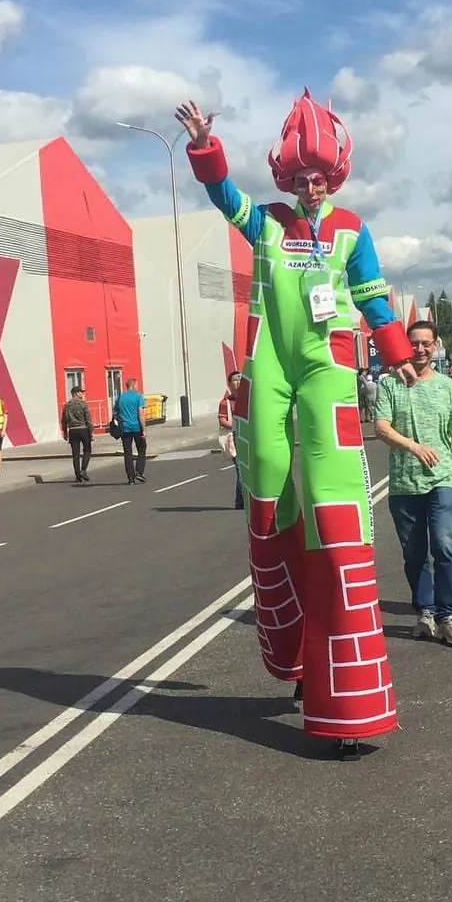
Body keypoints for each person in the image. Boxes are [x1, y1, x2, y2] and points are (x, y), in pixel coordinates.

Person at [177, 91, 414, 757]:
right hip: (269, 371)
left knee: (337, 524)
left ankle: (351, 701)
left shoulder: (351, 229)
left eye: (320, 174)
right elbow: (225, 196)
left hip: (328, 370)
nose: (310, 184)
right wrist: (204, 147)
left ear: (334, 176)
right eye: (299, 173)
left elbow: (373, 298)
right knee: (272, 507)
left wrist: (398, 357)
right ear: (286, 175)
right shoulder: (270, 223)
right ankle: (296, 656)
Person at [375, 320, 452, 647]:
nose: (419, 349)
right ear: (405, 346)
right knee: (414, 553)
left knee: (444, 545)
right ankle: (425, 611)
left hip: (441, 478)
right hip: (404, 484)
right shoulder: (390, 384)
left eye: (426, 343)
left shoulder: (446, 386)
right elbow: (382, 428)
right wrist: (413, 447)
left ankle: (448, 615)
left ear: (435, 346)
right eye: (413, 343)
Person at [218, 371, 245, 509]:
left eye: (240, 379)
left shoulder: (248, 400)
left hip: (247, 437)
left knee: (244, 470)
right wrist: (238, 425)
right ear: (229, 384)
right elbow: (222, 421)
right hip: (233, 438)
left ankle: (240, 501)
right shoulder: (225, 403)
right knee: (241, 469)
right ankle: (244, 501)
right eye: (234, 380)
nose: (238, 382)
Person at [114, 378, 147, 485]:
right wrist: (144, 429)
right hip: (136, 427)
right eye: (136, 385)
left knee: (127, 453)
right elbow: (141, 413)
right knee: (141, 449)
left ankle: (130, 478)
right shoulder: (138, 396)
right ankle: (139, 472)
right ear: (133, 385)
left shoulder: (120, 397)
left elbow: (116, 412)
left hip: (125, 428)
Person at [61, 385, 95, 483]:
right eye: (80, 392)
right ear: (76, 393)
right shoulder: (83, 404)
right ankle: (83, 470)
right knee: (87, 450)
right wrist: (91, 432)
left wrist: (64, 432)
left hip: (72, 430)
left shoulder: (67, 405)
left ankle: (77, 475)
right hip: (83, 429)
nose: (82, 394)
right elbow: (88, 419)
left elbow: (64, 420)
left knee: (75, 454)